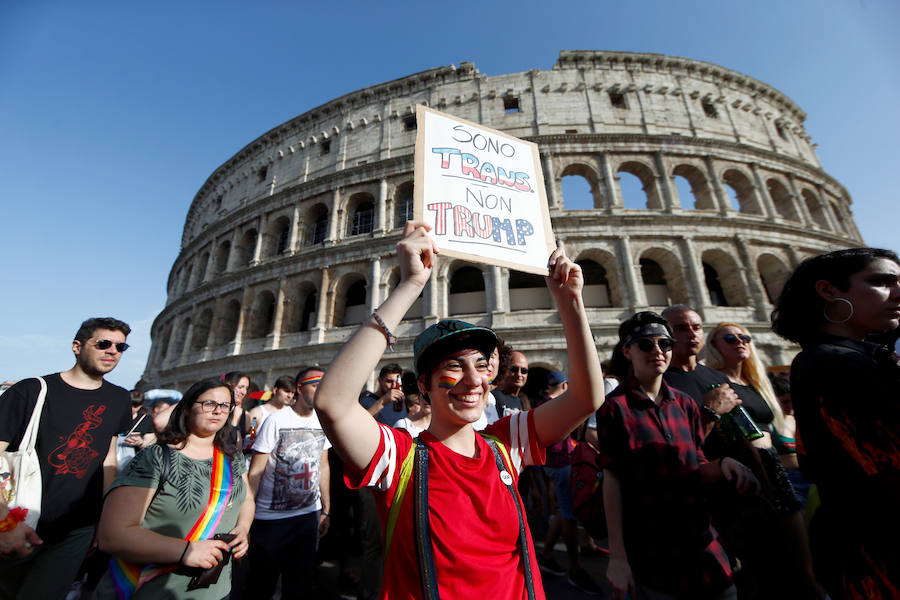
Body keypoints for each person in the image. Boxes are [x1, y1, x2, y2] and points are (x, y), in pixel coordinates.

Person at [314, 221, 604, 599]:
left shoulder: (505, 445)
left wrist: (571, 303)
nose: (473, 380)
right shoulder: (398, 457)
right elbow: (332, 403)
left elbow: (585, 399)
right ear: (423, 385)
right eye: (454, 367)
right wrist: (410, 286)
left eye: (482, 365)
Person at [597, 311, 759, 600]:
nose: (657, 351)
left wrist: (722, 465)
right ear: (627, 351)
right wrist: (617, 557)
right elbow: (613, 481)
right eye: (646, 345)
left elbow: (695, 462)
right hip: (652, 546)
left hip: (702, 539)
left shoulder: (685, 404)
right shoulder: (614, 408)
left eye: (665, 344)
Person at [771, 247, 900, 599]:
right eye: (882, 282)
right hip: (881, 553)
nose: (899, 292)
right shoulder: (838, 364)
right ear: (829, 291)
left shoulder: (844, 358)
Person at [0, 317, 133, 599]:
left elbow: (109, 460)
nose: (113, 351)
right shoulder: (30, 390)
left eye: (121, 346)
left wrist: (104, 519)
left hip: (76, 529)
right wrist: (5, 521)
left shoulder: (120, 399)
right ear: (77, 346)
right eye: (104, 343)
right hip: (17, 517)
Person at [92, 378, 253, 599]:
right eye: (208, 404)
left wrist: (243, 528)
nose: (218, 411)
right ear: (186, 409)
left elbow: (247, 500)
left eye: (225, 405)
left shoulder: (232, 458)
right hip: (151, 589)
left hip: (215, 590)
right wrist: (186, 550)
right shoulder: (155, 458)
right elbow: (112, 536)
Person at [245, 367, 330, 600]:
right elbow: (256, 470)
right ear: (300, 389)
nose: (321, 390)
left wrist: (327, 509)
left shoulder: (323, 420)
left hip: (307, 516)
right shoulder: (275, 420)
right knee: (261, 585)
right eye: (315, 385)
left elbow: (323, 465)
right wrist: (246, 518)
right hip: (271, 518)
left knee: (299, 584)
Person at [535, 371, 602, 595]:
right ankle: (575, 568)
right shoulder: (553, 405)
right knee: (570, 515)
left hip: (556, 464)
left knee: (565, 511)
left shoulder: (543, 404)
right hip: (559, 464)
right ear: (564, 386)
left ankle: (545, 555)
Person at [661, 306, 742, 435]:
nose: (692, 334)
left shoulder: (719, 378)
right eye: (681, 328)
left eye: (697, 327)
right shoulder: (659, 382)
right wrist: (710, 412)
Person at [117, 390, 156, 472]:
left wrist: (140, 442)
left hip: (135, 464)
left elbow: (150, 446)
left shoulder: (146, 420)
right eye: (130, 405)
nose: (132, 409)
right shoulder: (114, 417)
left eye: (135, 406)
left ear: (140, 405)